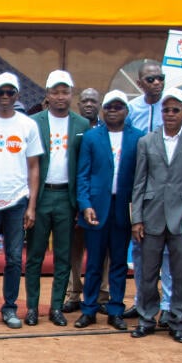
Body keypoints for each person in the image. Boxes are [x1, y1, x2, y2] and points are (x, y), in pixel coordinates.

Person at [129, 88, 182, 344]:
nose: (170, 114)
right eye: (166, 110)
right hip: (151, 217)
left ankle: (176, 320)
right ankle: (146, 318)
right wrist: (136, 219)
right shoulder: (146, 141)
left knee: (179, 274)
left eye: (175, 110)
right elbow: (139, 183)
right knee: (148, 273)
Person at [123, 60, 182, 320]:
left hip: (176, 198)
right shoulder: (131, 110)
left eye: (160, 78)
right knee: (144, 257)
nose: (156, 83)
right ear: (140, 83)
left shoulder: (179, 105)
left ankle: (168, 307)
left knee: (171, 258)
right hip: (146, 191)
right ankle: (143, 302)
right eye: (150, 79)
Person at [0, 73, 42, 329]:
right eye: (1, 92)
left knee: (14, 258)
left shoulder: (27, 125)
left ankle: (10, 308)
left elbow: (34, 167)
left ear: (17, 95)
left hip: (17, 201)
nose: (5, 97)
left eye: (10, 93)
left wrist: (31, 205)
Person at [74, 90, 144, 331]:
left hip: (123, 208)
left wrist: (138, 213)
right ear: (104, 110)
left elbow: (140, 178)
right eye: (109, 107)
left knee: (118, 263)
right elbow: (82, 174)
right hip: (96, 208)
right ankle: (89, 309)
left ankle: (115, 309)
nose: (113, 110)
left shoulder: (138, 138)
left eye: (119, 107)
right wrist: (85, 205)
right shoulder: (92, 137)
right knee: (93, 262)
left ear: (126, 110)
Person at [24, 70, 89, 327]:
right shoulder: (34, 122)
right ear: (47, 95)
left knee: (63, 256)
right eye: (55, 92)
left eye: (65, 92)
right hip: (40, 197)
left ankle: (56, 307)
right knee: (35, 255)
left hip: (66, 197)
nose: (60, 97)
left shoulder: (82, 125)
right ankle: (31, 307)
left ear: (72, 94)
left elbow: (83, 167)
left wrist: (79, 204)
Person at [64, 87, 106, 313]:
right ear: (78, 104)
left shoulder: (106, 129)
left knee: (102, 249)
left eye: (94, 100)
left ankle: (101, 294)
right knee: (75, 248)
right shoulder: (74, 128)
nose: (89, 104)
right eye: (85, 100)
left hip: (100, 198)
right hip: (75, 197)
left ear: (99, 104)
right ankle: (73, 294)